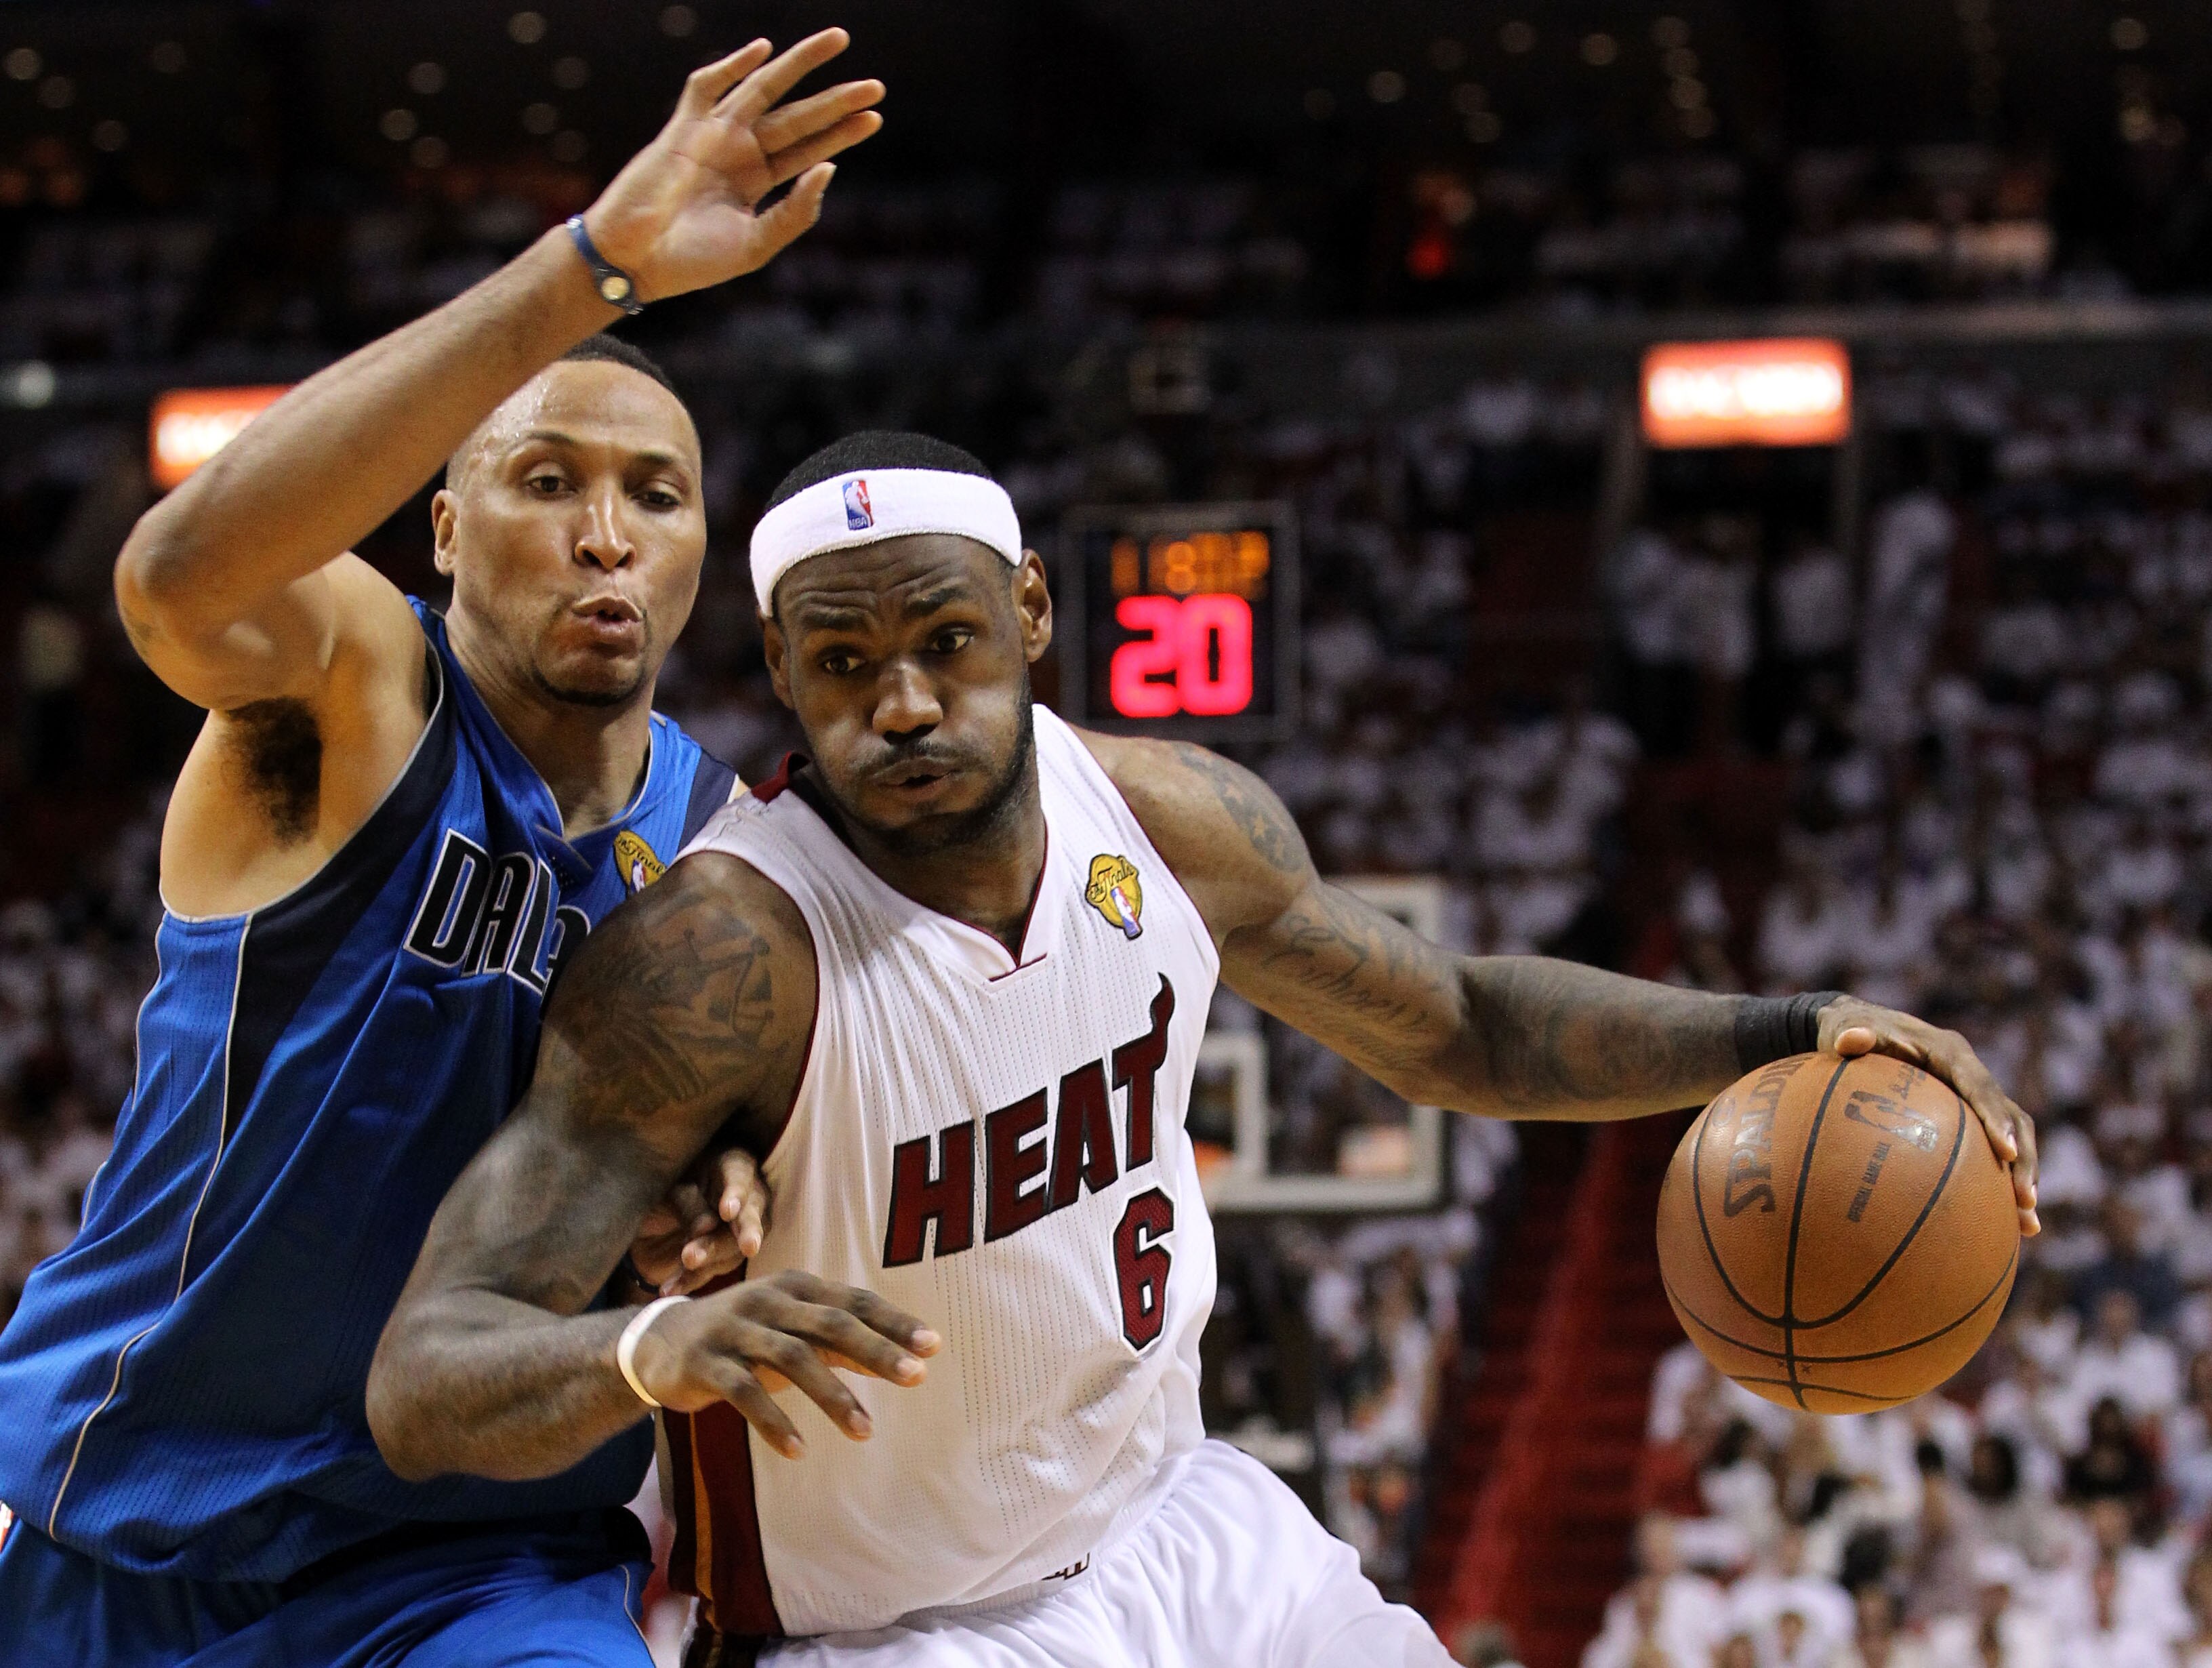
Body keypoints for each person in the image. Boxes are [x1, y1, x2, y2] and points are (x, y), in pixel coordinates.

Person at [366, 429, 2041, 1667]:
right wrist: (649, 1350)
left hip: (1189, 1529)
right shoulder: (723, 954)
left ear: (1028, 610)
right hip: (895, 1632)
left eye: (945, 642)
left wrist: (1789, 1030)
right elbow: (427, 1372)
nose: (902, 705)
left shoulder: (1165, 819)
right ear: (784, 671)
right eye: (845, 663)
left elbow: (1456, 1020)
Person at [0, 32, 890, 1668]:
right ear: (445, 526)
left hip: (476, 1563)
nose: (607, 529)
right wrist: (592, 271)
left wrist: (720, 1186)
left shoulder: (726, 846)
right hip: (124, 1515)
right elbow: (174, 578)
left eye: (658, 493)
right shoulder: (353, 694)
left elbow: (728, 1159)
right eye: (545, 480)